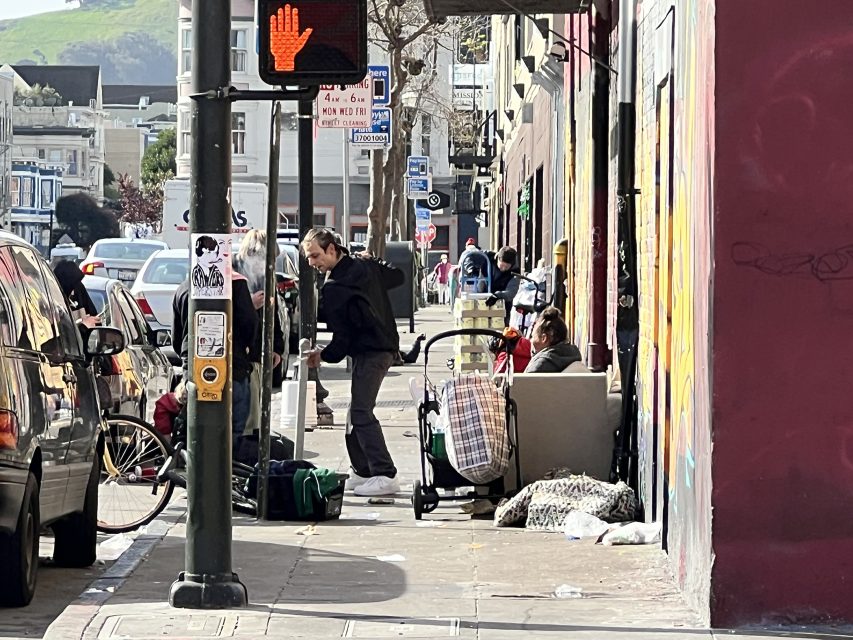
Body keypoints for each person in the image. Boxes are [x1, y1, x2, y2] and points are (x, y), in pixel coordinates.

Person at [301, 228, 403, 497]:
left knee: (360, 412)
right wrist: (374, 260)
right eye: (308, 257)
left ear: (331, 249)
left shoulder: (335, 287)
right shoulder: (364, 266)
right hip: (382, 345)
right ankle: (363, 470)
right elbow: (397, 276)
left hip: (371, 351)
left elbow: (342, 338)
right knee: (356, 412)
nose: (311, 263)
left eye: (315, 256)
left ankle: (384, 473)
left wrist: (323, 356)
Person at [172, 268, 259, 451]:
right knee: (233, 437)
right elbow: (250, 324)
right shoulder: (237, 284)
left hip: (196, 373)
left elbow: (177, 339)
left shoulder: (185, 287)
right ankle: (229, 465)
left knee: (198, 436)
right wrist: (245, 349)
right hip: (234, 370)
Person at [233, 230, 285, 440]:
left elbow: (274, 315)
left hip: (256, 352)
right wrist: (250, 304)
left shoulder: (265, 276)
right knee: (246, 416)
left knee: (254, 411)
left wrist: (277, 347)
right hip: (243, 354)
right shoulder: (235, 273)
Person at [526, 307, 582, 373]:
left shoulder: (539, 366)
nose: (531, 340)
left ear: (544, 338)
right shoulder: (572, 357)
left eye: (532, 336)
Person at [53, 261, 100, 328]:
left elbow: (94, 317)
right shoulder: (54, 304)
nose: (73, 292)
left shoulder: (79, 289)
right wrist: (83, 326)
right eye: (72, 286)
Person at [486, 246, 521, 325]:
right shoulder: (489, 257)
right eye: (501, 265)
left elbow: (511, 293)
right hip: (483, 300)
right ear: (498, 258)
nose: (503, 269)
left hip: (503, 307)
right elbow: (472, 255)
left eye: (507, 267)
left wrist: (497, 295)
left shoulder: (515, 273)